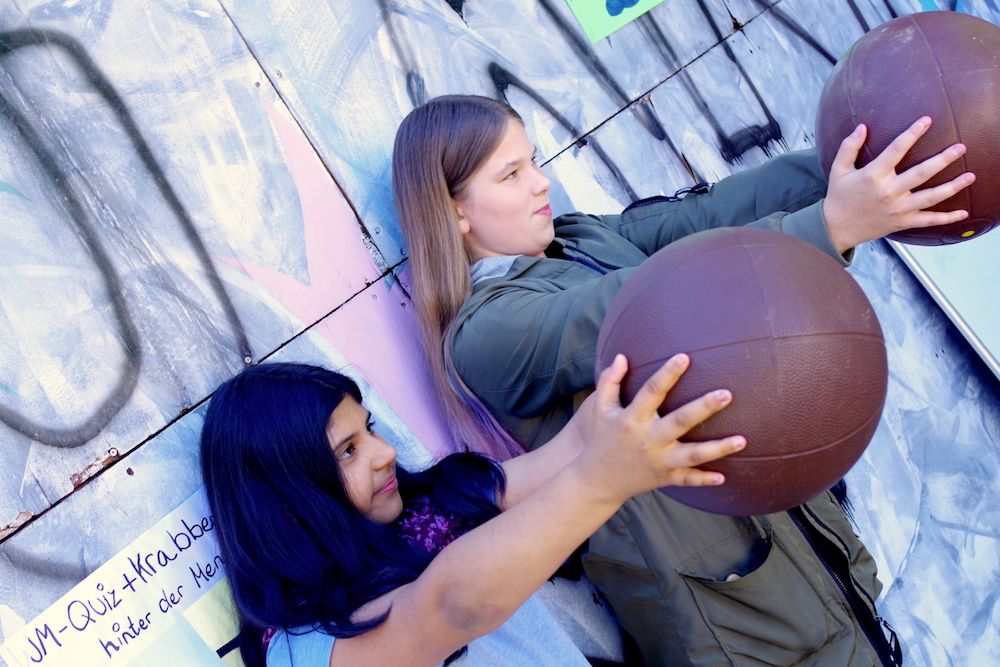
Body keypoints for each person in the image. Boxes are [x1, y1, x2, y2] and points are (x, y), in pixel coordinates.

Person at [392, 94, 974, 665]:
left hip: (818, 585)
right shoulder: (487, 331)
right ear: (455, 212)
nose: (541, 183)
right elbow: (660, 302)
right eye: (512, 174)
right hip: (737, 633)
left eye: (535, 163)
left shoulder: (580, 239)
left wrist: (854, 155)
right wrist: (830, 224)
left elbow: (712, 213)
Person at [199, 355, 743, 667]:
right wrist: (602, 480)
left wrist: (638, 378)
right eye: (347, 451)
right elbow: (450, 609)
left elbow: (571, 451)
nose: (384, 452)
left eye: (370, 430)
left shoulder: (430, 514)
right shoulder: (301, 648)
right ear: (286, 499)